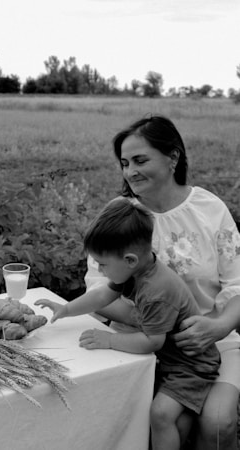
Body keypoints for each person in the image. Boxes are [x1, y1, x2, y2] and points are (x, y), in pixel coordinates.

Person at [83, 115, 240, 450]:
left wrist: (221, 324)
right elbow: (97, 288)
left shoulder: (209, 208)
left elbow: (237, 283)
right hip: (140, 341)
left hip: (211, 341)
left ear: (173, 158)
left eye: (141, 160)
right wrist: (151, 319)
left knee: (217, 423)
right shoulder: (121, 216)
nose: (130, 172)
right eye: (125, 163)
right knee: (163, 423)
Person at [36, 198, 221, 450]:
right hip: (172, 358)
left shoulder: (157, 290)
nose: (100, 270)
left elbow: (151, 341)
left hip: (192, 365)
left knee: (160, 415)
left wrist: (109, 340)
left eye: (103, 264)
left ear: (130, 260)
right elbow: (102, 295)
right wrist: (67, 308)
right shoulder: (134, 270)